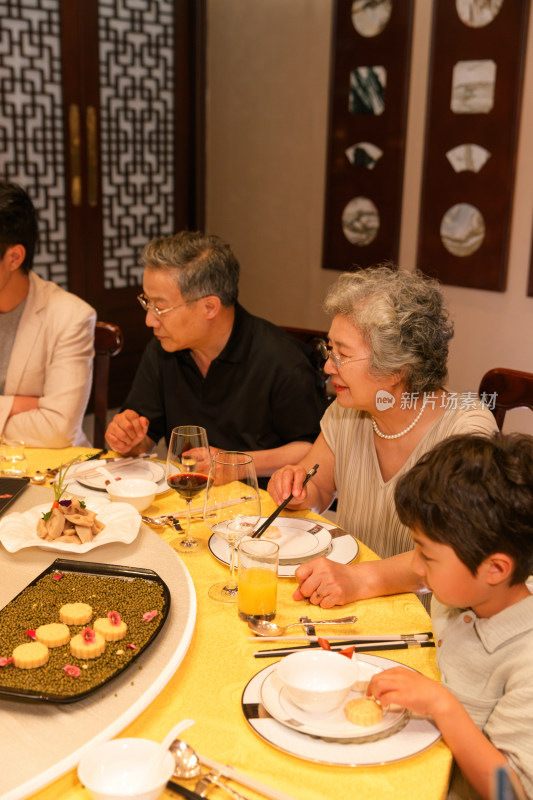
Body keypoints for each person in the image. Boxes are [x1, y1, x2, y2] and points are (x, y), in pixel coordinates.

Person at [311, 433, 533, 800]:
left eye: (426, 556)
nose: (416, 565)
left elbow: (511, 791)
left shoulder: (524, 661)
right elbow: (413, 575)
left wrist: (444, 707)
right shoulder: (469, 592)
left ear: (495, 569)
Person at [268, 265, 497, 582]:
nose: (327, 366)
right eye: (329, 349)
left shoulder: (466, 433)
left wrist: (360, 580)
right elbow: (318, 486)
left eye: (342, 355)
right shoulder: (347, 410)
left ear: (395, 371)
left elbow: (455, 554)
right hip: (349, 591)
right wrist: (298, 489)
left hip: (426, 617)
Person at [105, 231, 326, 479]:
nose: (149, 320)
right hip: (186, 497)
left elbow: (312, 449)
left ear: (209, 307)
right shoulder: (163, 349)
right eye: (147, 303)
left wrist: (235, 463)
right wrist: (127, 438)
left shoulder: (284, 361)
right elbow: (144, 438)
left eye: (160, 307)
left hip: (260, 504)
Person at [0, 181, 96, 447]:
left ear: (14, 257)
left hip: (51, 473)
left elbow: (58, 429)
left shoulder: (71, 317)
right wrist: (17, 406)